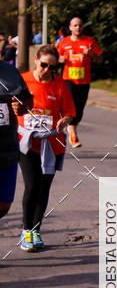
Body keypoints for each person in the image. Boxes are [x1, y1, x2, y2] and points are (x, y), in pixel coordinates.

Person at [16, 45, 76, 250]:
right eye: (44, 65)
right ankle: (26, 231)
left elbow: (69, 112)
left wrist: (65, 120)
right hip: (27, 142)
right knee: (31, 186)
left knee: (43, 189)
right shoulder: (23, 80)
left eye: (52, 67)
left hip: (51, 144)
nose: (47, 70)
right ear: (36, 60)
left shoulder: (59, 84)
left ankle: (35, 230)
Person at [57, 16, 102, 148]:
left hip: (84, 80)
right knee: (71, 106)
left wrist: (91, 54)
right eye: (75, 25)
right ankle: (72, 133)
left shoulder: (89, 41)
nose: (78, 27)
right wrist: (60, 60)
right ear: (70, 28)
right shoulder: (64, 42)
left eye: (80, 25)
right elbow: (57, 58)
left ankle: (72, 128)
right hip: (68, 79)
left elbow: (100, 59)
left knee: (80, 108)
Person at [0, 61, 33, 223]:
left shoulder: (11, 72)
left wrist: (22, 107)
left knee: (4, 205)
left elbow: (27, 100)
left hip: (7, 150)